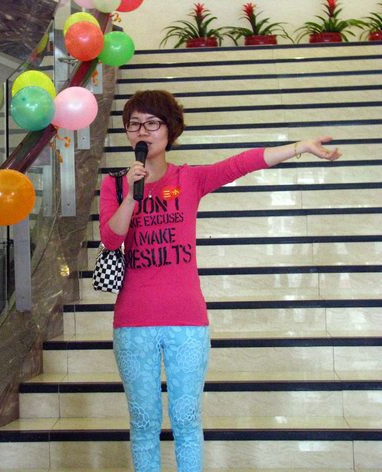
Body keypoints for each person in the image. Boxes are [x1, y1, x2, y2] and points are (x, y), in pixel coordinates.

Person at [98, 90, 341, 472]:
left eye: (152, 123)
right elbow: (112, 240)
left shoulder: (190, 179)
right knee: (143, 424)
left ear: (169, 130)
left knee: (187, 420)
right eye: (134, 124)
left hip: (187, 321)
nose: (142, 131)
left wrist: (299, 147)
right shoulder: (115, 185)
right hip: (133, 322)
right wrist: (131, 195)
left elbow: (241, 163)